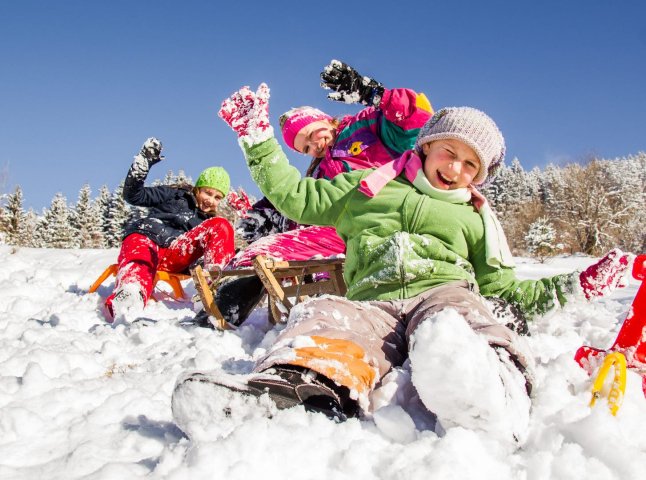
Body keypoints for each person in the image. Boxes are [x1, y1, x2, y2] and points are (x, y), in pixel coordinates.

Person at [172, 85, 635, 443]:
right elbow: (296, 196)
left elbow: (503, 290)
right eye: (449, 153)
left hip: (444, 291)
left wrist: (579, 284)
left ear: (480, 175)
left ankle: (490, 390)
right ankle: (288, 390)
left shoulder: (475, 216)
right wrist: (258, 139)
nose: (455, 169)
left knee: (461, 320)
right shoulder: (368, 186)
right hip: (374, 298)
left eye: (470, 165)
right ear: (427, 147)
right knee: (326, 316)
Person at [197, 60, 433, 327]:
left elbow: (418, 123)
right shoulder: (318, 173)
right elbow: (300, 200)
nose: (314, 146)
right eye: (305, 148)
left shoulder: (365, 127)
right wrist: (259, 213)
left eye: (311, 134)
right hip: (340, 233)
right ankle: (219, 312)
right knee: (265, 250)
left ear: (324, 119)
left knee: (271, 249)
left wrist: (374, 94)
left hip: (384, 223)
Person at [105, 137, 235, 321]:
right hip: (146, 238)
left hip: (176, 252)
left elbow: (212, 250)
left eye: (217, 197)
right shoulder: (174, 194)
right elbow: (133, 196)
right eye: (208, 192)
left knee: (222, 225)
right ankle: (130, 295)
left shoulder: (207, 222)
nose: (211, 200)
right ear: (197, 189)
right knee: (140, 260)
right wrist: (143, 165)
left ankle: (213, 290)